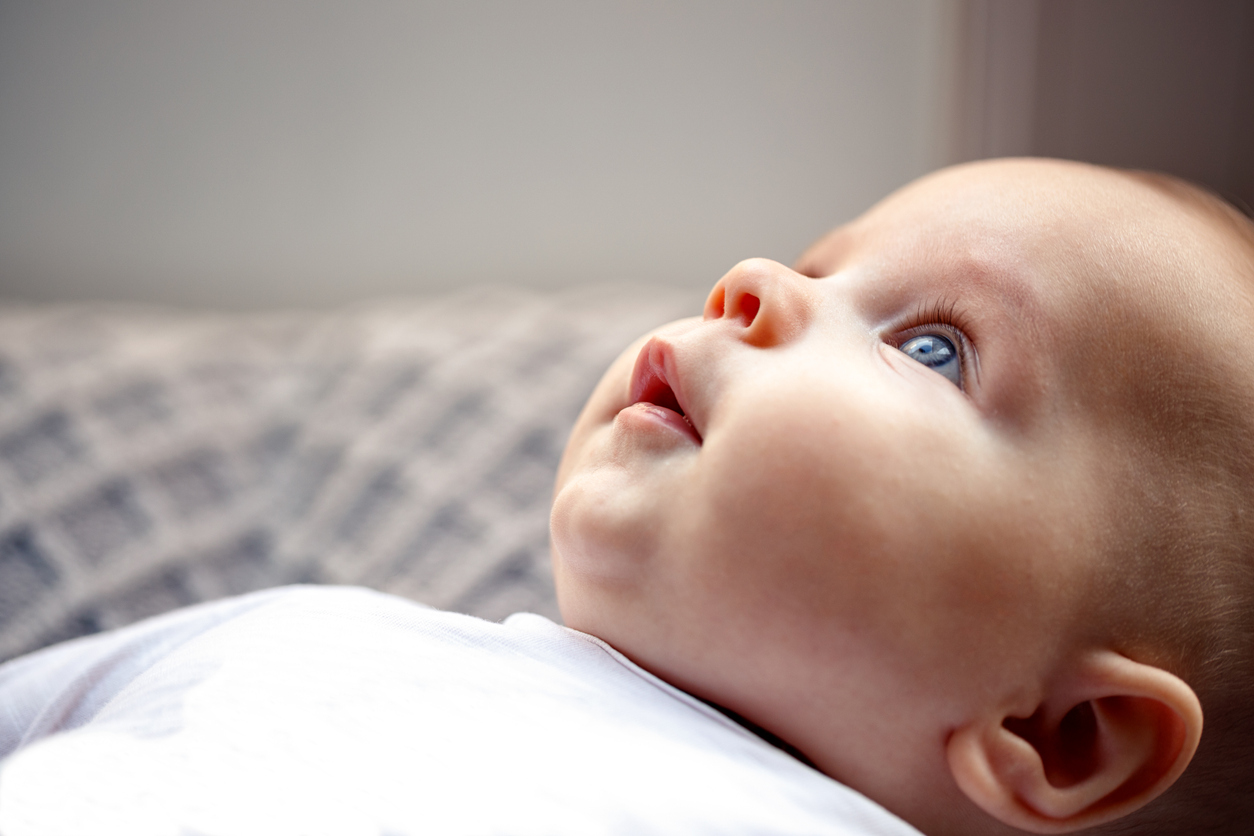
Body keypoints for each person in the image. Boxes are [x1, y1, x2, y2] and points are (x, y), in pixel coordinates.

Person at [2, 158, 1252, 836]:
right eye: (822, 262)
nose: (752, 281)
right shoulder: (306, 634)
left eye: (932, 345)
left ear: (1059, 733)